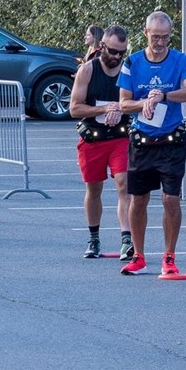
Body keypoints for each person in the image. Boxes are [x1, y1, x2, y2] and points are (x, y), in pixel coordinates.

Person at [117, 11, 186, 276]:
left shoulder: (180, 60)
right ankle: (139, 256)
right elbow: (123, 103)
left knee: (170, 200)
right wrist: (145, 103)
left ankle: (169, 256)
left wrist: (164, 95)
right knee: (138, 200)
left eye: (165, 37)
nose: (160, 42)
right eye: (155, 37)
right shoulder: (132, 62)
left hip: (171, 141)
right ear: (145, 34)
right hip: (142, 141)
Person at [69, 24, 132, 260]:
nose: (116, 57)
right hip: (93, 138)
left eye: (121, 53)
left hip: (120, 137)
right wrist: (105, 108)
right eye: (113, 51)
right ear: (102, 46)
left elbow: (136, 101)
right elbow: (74, 108)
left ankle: (126, 239)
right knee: (94, 189)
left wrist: (124, 108)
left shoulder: (128, 70)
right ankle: (93, 238)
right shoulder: (88, 70)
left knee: (124, 184)